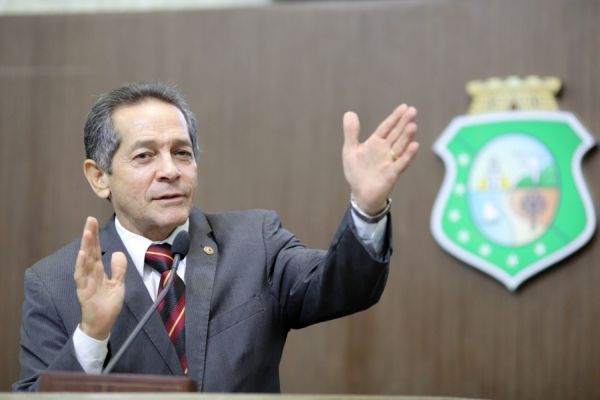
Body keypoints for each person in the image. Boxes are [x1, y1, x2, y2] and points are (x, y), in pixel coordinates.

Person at [13, 82, 418, 392]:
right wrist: (92, 334)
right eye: (145, 155)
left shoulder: (255, 243)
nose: (170, 170)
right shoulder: (53, 284)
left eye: (182, 152)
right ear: (99, 177)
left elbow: (343, 287)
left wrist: (367, 207)